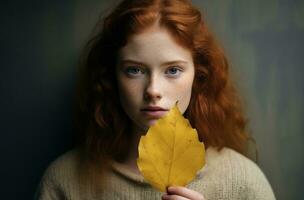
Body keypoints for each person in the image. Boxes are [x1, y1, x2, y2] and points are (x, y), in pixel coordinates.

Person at [35, 0, 276, 199]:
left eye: (172, 70)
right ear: (111, 76)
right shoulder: (64, 181)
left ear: (198, 75)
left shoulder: (242, 181)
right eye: (134, 70)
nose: (153, 90)